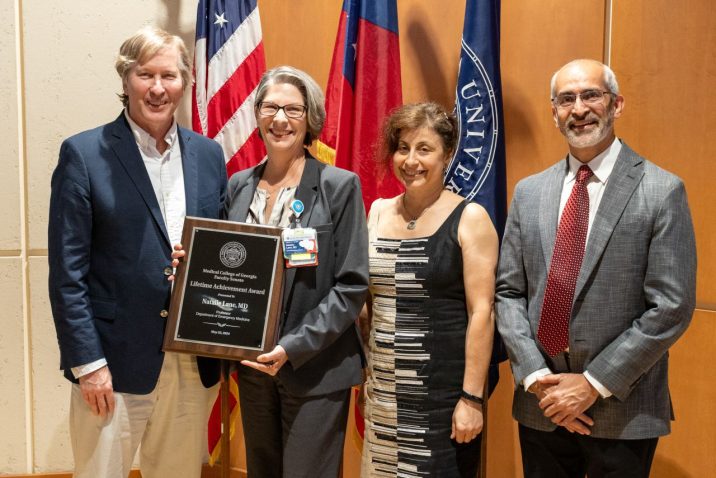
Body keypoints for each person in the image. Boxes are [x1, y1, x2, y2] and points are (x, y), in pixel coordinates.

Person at [495, 59, 697, 478]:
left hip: (620, 408)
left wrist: (591, 384)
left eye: (591, 95)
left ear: (616, 104)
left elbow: (671, 307)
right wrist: (536, 377)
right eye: (566, 99)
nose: (579, 108)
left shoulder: (661, 190)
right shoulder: (529, 193)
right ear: (554, 113)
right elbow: (509, 293)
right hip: (542, 405)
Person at [48, 27, 227, 478]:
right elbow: (67, 274)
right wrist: (88, 365)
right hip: (113, 362)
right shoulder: (84, 154)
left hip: (190, 360)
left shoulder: (208, 155)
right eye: (145, 74)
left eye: (169, 75)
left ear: (185, 82)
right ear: (126, 79)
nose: (157, 87)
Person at [173, 65, 369, 478]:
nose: (280, 119)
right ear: (258, 115)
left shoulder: (339, 186)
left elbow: (350, 286)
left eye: (293, 110)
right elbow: (223, 269)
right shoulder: (238, 186)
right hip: (253, 368)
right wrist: (189, 268)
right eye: (271, 107)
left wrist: (292, 347)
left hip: (314, 367)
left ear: (310, 117)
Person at [359, 102, 498, 477]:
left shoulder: (471, 218)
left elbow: (483, 312)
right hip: (384, 396)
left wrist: (471, 398)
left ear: (447, 154)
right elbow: (367, 305)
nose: (411, 160)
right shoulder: (376, 212)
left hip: (441, 401)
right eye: (403, 148)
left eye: (424, 149)